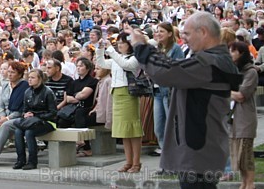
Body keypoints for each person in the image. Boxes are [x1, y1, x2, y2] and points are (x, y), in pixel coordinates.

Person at [131, 11, 242, 188]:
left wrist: (141, 47)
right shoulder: (215, 60)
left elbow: (167, 72)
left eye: (187, 34)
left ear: (203, 32)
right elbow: (171, 69)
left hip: (199, 148)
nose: (184, 38)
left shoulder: (210, 62)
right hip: (202, 146)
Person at [97, 32, 143, 173]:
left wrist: (110, 50)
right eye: (119, 42)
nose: (119, 45)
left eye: (122, 42)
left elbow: (126, 65)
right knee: (123, 131)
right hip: (116, 93)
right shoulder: (117, 57)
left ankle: (136, 162)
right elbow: (102, 63)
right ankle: (128, 162)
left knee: (132, 130)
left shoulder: (134, 58)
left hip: (128, 94)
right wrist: (100, 49)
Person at [151, 22, 184, 159]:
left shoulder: (176, 49)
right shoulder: (157, 49)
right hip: (157, 91)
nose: (158, 34)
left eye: (161, 31)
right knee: (158, 128)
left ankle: (175, 158)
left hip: (169, 92)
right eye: (157, 31)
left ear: (170, 34)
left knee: (172, 126)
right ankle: (166, 157)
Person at [12, 68, 57, 170]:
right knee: (18, 131)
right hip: (31, 121)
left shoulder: (48, 92)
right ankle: (21, 160)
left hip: (48, 122)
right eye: (29, 78)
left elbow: (53, 113)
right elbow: (25, 110)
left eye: (32, 78)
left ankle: (32, 161)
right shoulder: (27, 92)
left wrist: (37, 116)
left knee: (29, 132)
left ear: (40, 79)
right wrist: (25, 114)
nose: (30, 80)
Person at [228, 41, 257, 189]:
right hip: (234, 119)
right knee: (237, 155)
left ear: (241, 53)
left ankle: (249, 184)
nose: (230, 54)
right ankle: (244, 183)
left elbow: (241, 95)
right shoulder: (235, 71)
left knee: (245, 155)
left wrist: (225, 91)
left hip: (245, 118)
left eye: (233, 51)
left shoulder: (251, 72)